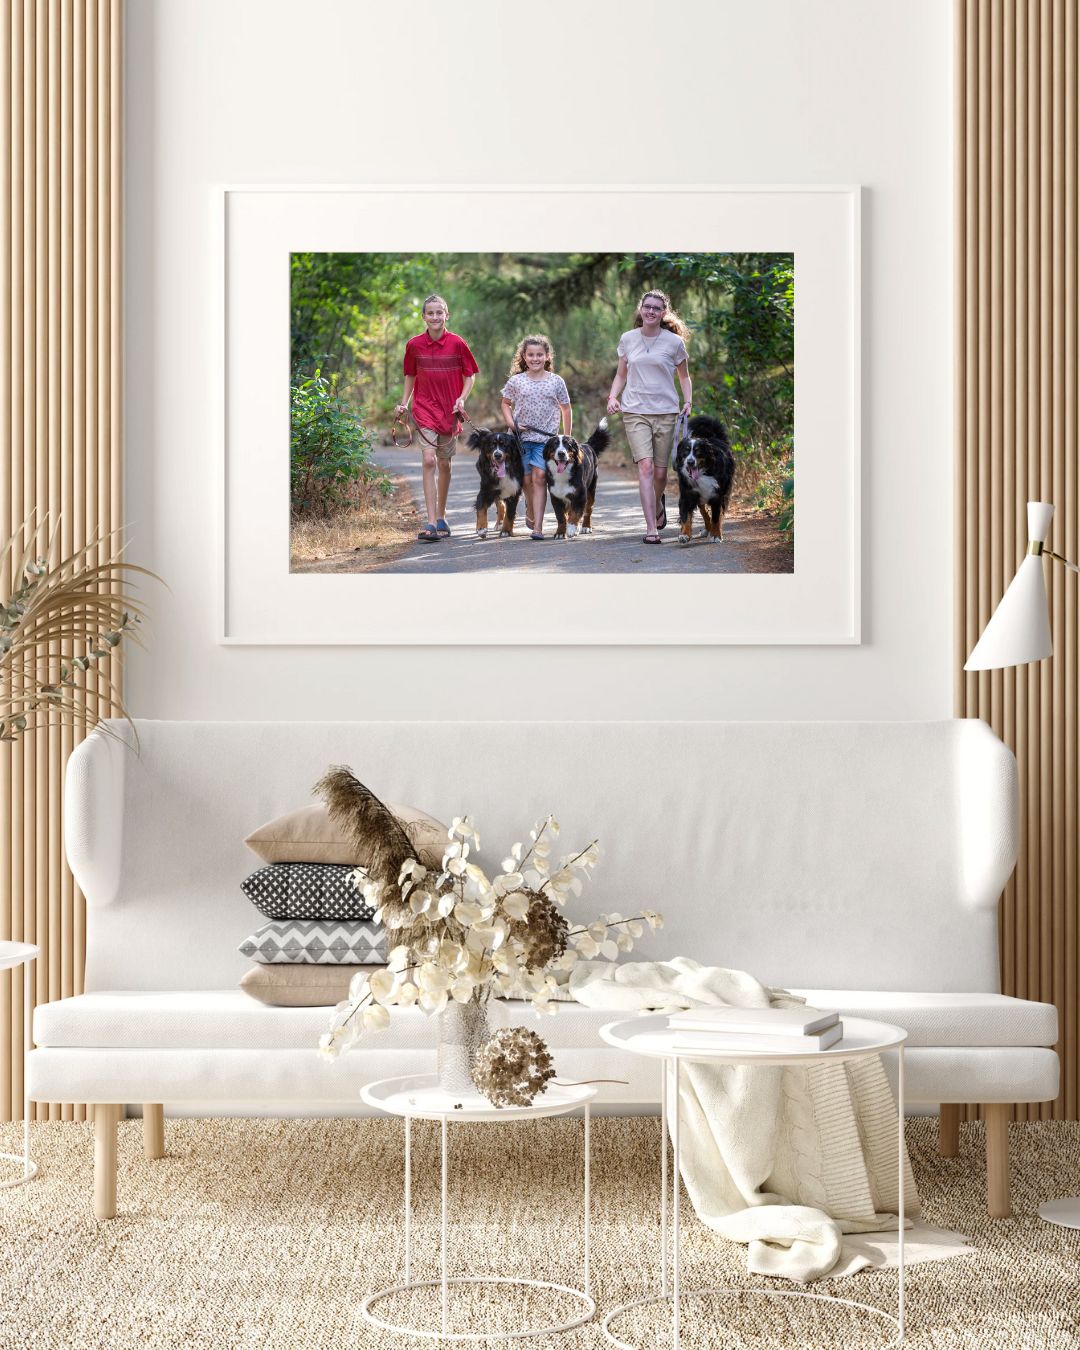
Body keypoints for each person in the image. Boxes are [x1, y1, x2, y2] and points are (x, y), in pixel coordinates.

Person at [607, 290, 692, 544]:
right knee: (645, 467)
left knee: (660, 473)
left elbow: (684, 377)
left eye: (657, 308)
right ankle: (651, 528)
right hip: (634, 411)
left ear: (663, 313)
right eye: (648, 307)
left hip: (666, 411)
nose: (651, 311)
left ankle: (657, 503)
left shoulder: (674, 343)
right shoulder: (628, 339)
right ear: (641, 309)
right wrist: (613, 397)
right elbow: (621, 374)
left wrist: (688, 400)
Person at [396, 294, 479, 542]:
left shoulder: (457, 343)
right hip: (424, 409)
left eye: (439, 312)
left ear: (446, 315)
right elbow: (410, 375)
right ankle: (431, 522)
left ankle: (442, 515)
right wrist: (404, 403)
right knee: (429, 460)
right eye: (430, 313)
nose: (435, 317)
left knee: (444, 463)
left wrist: (462, 398)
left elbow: (470, 375)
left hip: (450, 411)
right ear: (423, 316)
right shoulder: (414, 345)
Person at [500, 334, 572, 540]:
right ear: (524, 356)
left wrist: (565, 439)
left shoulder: (556, 382)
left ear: (547, 356)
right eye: (530, 355)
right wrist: (512, 425)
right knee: (525, 479)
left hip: (547, 441)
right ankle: (530, 508)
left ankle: (538, 527)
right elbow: (505, 403)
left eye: (539, 354)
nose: (535, 358)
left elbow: (566, 409)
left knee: (539, 477)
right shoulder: (516, 381)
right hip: (520, 440)